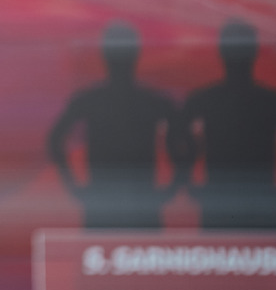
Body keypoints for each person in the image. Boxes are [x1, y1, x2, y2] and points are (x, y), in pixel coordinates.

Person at [48, 21, 186, 229]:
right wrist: (172, 187)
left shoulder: (90, 100)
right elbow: (184, 143)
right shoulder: (153, 102)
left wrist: (74, 186)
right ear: (136, 54)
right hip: (137, 204)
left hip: (108, 205)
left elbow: (55, 139)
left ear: (105, 54)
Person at [182, 18, 276, 229]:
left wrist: (188, 182)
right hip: (246, 204)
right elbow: (178, 137)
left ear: (221, 52)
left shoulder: (203, 99)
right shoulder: (274, 101)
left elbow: (177, 139)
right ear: (254, 51)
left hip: (237, 205)